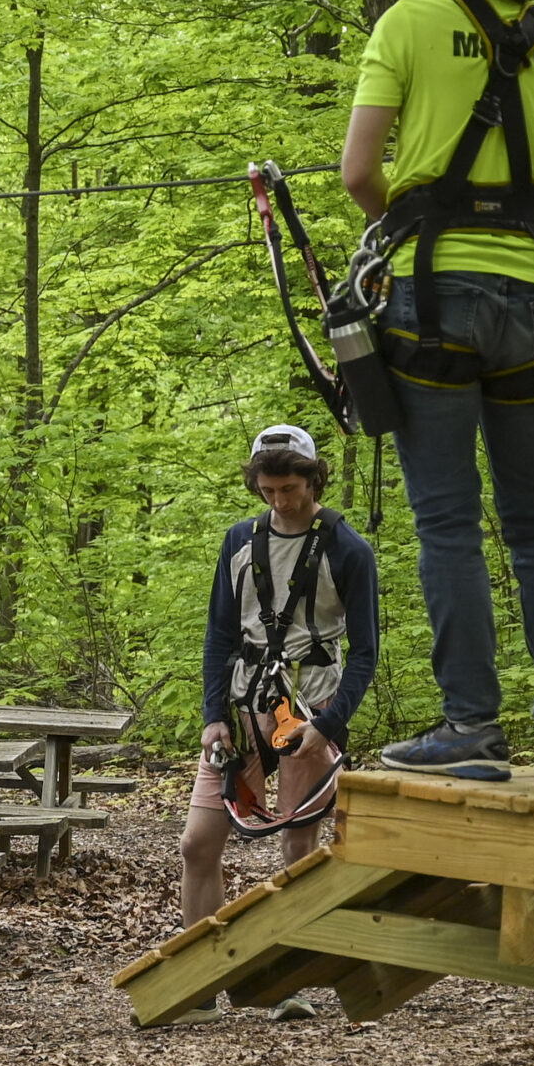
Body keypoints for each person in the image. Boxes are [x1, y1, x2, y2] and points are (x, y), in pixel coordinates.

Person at [340, 0, 534, 782]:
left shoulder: (409, 26)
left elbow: (360, 171)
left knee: (447, 520)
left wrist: (409, 226)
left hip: (433, 296)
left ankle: (472, 727)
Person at [177, 426, 380, 1024]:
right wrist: (213, 715)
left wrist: (332, 724)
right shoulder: (240, 541)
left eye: (290, 488)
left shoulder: (349, 549)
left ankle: (285, 981)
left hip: (308, 705)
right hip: (242, 704)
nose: (280, 501)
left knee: (298, 846)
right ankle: (199, 978)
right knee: (198, 843)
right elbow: (219, 633)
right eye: (268, 489)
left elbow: (365, 652)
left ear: (314, 480)